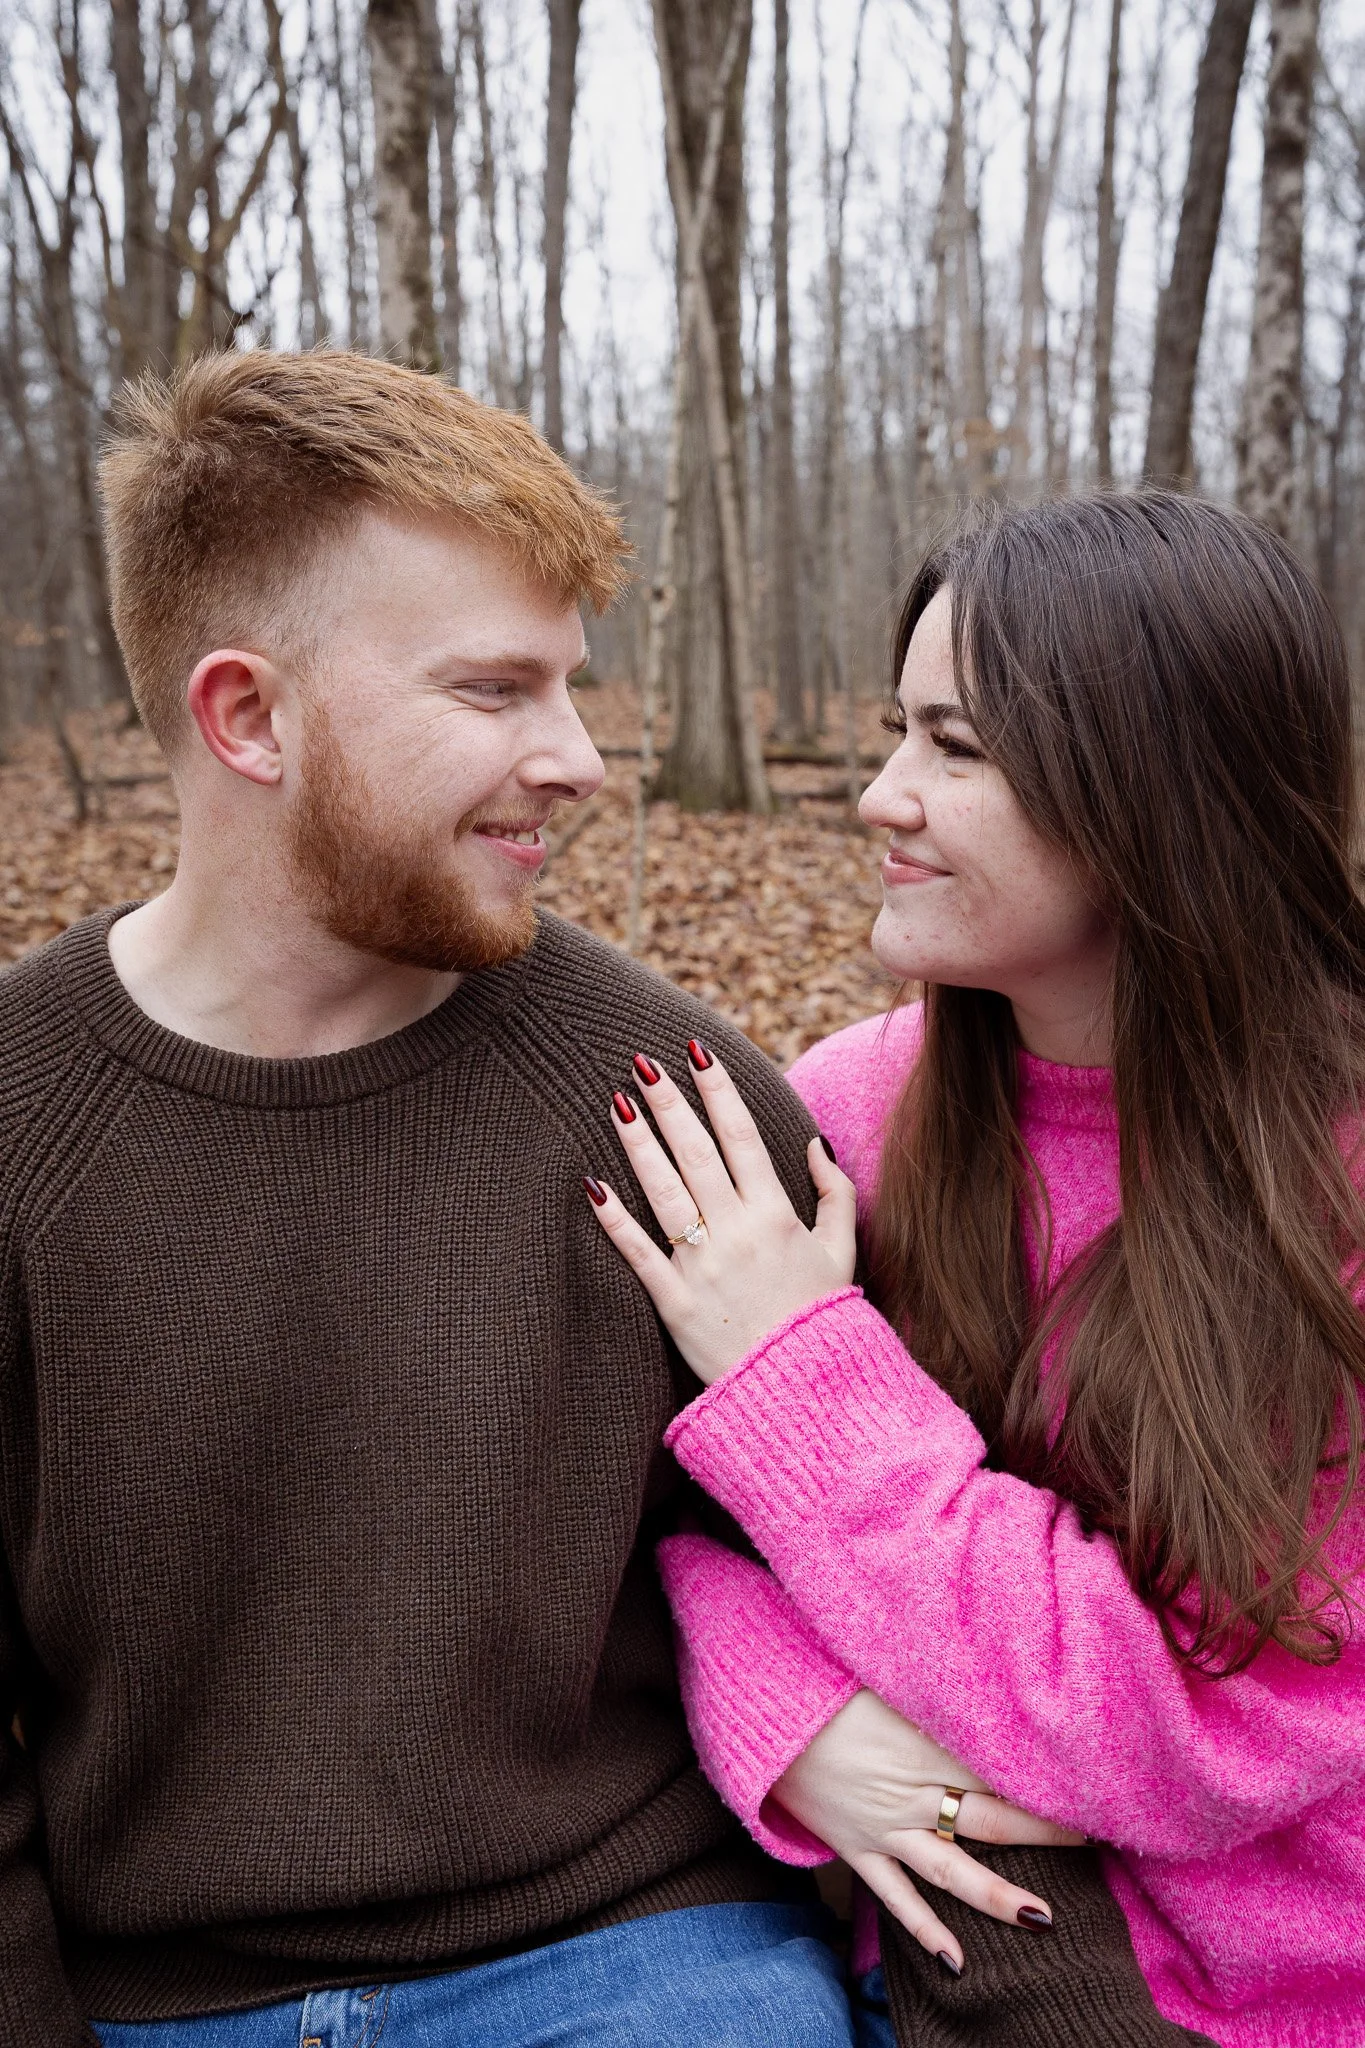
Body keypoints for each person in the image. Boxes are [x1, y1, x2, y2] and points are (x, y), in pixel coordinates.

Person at [0, 348, 1076, 2048]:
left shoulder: (677, 1104)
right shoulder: (23, 1123)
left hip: (628, 1955)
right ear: (247, 716)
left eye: (573, 687)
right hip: (164, 2000)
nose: (579, 758)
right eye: (496, 692)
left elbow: (896, 1625)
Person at [588, 491, 1365, 2046]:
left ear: (1155, 792)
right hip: (940, 1958)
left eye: (957, 748)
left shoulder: (1336, 1190)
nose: (878, 795)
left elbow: (1185, 1731)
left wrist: (804, 1370)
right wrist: (798, 1727)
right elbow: (665, 1534)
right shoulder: (843, 1117)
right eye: (894, 732)